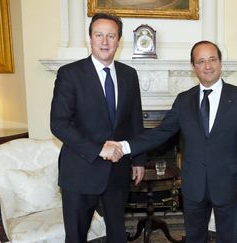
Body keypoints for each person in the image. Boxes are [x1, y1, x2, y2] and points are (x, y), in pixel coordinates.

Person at [109, 40, 237, 243]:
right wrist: (125, 146)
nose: (208, 66)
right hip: (193, 185)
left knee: (228, 238)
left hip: (228, 184)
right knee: (194, 238)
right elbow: (160, 133)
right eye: (201, 61)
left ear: (220, 62)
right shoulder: (183, 100)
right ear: (193, 66)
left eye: (212, 59)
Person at [50, 13, 145, 243]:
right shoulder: (69, 74)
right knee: (76, 237)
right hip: (80, 172)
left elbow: (135, 121)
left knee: (117, 235)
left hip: (117, 172)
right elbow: (59, 123)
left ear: (119, 41)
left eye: (111, 36)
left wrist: (139, 159)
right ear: (90, 39)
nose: (105, 42)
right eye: (99, 35)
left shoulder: (129, 75)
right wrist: (98, 149)